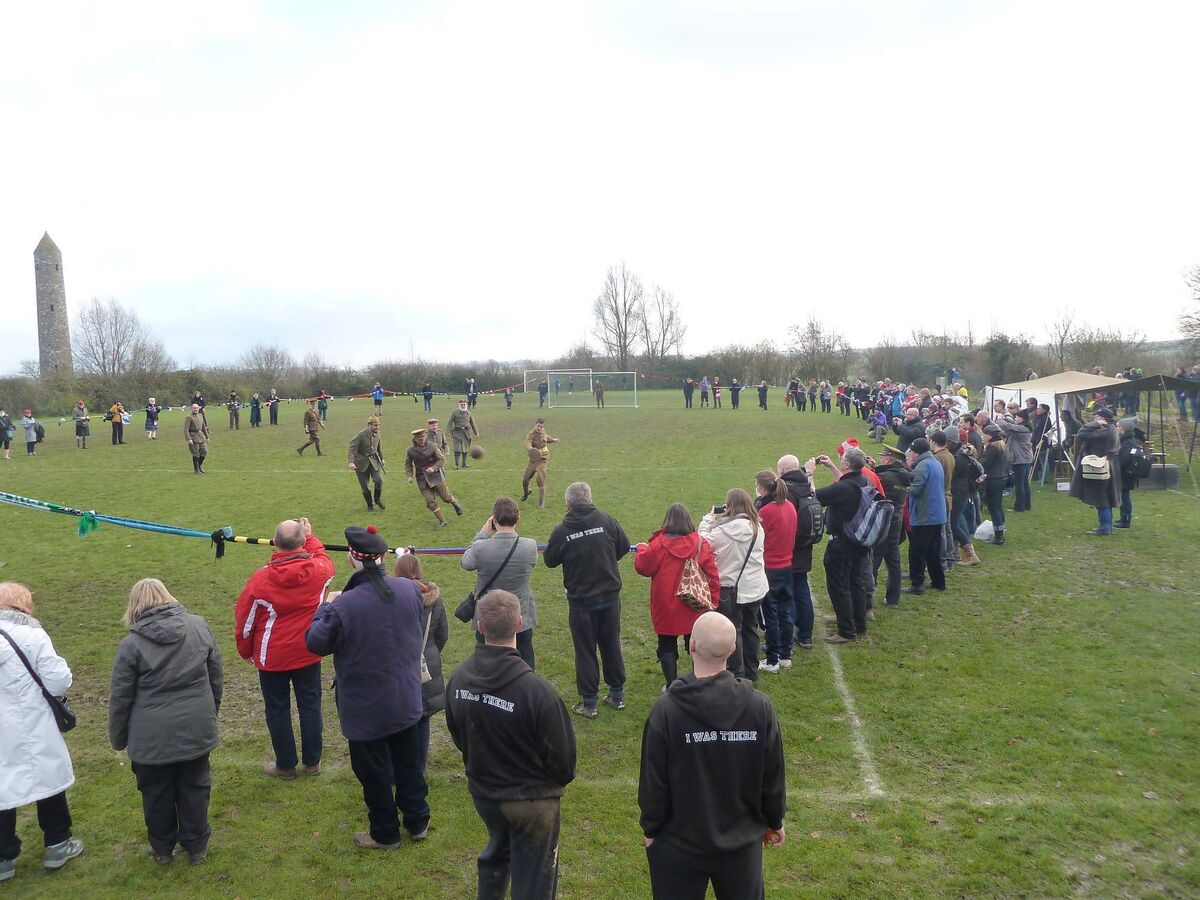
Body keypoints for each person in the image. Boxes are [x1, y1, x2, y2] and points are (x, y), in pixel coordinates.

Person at [638, 612, 786, 900]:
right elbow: (773, 774)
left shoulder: (666, 711)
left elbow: (653, 780)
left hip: (678, 844)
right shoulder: (759, 708)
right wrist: (774, 820)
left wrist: (651, 827)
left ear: (691, 646)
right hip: (741, 843)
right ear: (733, 651)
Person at [445, 590, 577, 900]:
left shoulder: (459, 678)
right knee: (534, 878)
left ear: (479, 626)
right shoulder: (538, 692)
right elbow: (564, 762)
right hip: (532, 803)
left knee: (496, 855)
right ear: (519, 623)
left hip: (485, 795)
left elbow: (458, 735)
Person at [305, 525, 430, 850]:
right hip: (405, 697)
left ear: (352, 558)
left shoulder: (344, 606)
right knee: (409, 765)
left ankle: (385, 832)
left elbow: (315, 643)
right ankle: (418, 821)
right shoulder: (409, 590)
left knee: (373, 773)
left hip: (366, 708)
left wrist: (324, 606)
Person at [108, 578, 222, 865]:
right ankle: (197, 847)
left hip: (151, 736)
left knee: (156, 793)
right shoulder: (199, 626)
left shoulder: (130, 645)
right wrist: (210, 712)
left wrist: (118, 738)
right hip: (195, 726)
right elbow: (216, 676)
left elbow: (120, 698)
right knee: (195, 786)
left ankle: (162, 850)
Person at [235, 517, 334, 781]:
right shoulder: (320, 571)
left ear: (275, 544)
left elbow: (244, 623)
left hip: (273, 656)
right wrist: (310, 538)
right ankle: (313, 762)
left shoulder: (262, 578)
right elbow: (323, 559)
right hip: (308, 649)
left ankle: (286, 765)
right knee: (310, 705)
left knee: (277, 709)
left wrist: (245, 651)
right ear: (302, 541)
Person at [0, 582, 84, 879]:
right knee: (47, 778)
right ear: (24, 606)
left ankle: (3, 857)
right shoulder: (32, 636)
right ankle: (58, 842)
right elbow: (59, 680)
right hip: (31, 721)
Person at [543, 482, 630, 719]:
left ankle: (590, 703)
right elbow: (623, 546)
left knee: (585, 650)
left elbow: (550, 560)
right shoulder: (607, 520)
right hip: (609, 597)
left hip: (581, 602)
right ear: (590, 500)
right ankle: (617, 695)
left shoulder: (561, 530)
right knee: (611, 644)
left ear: (568, 504)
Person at [634, 504, 720, 691]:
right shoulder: (700, 543)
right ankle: (700, 680)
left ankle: (672, 686)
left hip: (666, 603)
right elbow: (712, 574)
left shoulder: (658, 545)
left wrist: (642, 548)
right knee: (696, 643)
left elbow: (643, 567)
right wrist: (714, 599)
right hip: (694, 602)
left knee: (666, 645)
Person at [462, 498, 540, 670]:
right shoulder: (530, 546)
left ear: (493, 520)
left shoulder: (480, 547)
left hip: (488, 615)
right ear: (518, 519)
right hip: (521, 615)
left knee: (488, 663)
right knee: (525, 658)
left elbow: (466, 562)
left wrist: (482, 533)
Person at [698, 489, 767, 679]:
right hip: (755, 588)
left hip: (732, 588)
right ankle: (751, 671)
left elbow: (702, 542)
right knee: (750, 628)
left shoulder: (722, 531)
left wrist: (707, 520)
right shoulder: (757, 527)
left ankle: (737, 673)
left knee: (733, 630)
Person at [808, 447, 874, 642]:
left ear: (846, 464)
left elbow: (813, 495)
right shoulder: (862, 480)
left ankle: (846, 630)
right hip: (858, 541)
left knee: (839, 585)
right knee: (856, 583)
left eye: (842, 459)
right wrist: (831, 467)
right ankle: (858, 624)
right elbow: (844, 482)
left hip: (842, 543)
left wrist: (810, 473)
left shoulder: (844, 488)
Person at [393, 554, 448, 773]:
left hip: (399, 663)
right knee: (423, 717)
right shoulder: (434, 599)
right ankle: (419, 767)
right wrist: (430, 654)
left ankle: (399, 766)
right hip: (427, 661)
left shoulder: (392, 598)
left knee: (399, 718)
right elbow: (443, 633)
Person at [753, 471, 798, 674]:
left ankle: (772, 659)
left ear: (762, 488)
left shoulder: (767, 511)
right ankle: (785, 655)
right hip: (786, 565)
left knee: (770, 614)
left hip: (769, 567)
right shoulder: (789, 507)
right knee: (785, 611)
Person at [777, 455, 820, 649]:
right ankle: (806, 635)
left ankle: (785, 634)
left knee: (786, 594)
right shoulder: (806, 485)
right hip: (805, 545)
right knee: (802, 590)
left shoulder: (785, 490)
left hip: (788, 548)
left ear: (782, 471)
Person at [904, 438, 947, 595]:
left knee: (917, 550)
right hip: (937, 513)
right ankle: (938, 581)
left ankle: (916, 584)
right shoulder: (935, 462)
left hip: (925, 515)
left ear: (916, 453)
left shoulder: (922, 466)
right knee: (932, 550)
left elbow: (915, 491)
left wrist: (903, 486)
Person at [1070, 407, 1122, 536]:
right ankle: (1107, 527)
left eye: (1096, 418)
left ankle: (1104, 528)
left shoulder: (1103, 432)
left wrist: (1095, 424)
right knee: (1105, 499)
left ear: (1102, 419)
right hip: (1107, 466)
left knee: (1101, 499)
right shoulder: (1112, 430)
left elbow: (1081, 433)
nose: (1094, 419)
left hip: (1099, 467)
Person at [872, 446, 912, 606]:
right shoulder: (903, 476)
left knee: (872, 563)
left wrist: (873, 471)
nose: (881, 458)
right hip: (896, 523)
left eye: (883, 456)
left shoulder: (884, 478)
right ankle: (893, 599)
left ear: (888, 459)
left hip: (882, 525)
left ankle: (868, 599)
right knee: (894, 563)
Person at [405, 428, 462, 526]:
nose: (421, 440)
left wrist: (434, 468)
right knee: (430, 502)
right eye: (419, 439)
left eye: (423, 438)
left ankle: (455, 503)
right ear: (415, 439)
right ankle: (442, 521)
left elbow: (441, 459)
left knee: (446, 497)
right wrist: (409, 475)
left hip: (435, 476)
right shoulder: (410, 450)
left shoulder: (433, 446)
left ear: (426, 436)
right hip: (421, 478)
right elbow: (408, 464)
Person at [947, 427, 983, 566]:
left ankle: (971, 554)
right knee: (955, 522)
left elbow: (952, 475)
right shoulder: (962, 453)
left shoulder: (958, 457)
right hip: (963, 492)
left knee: (953, 524)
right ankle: (956, 553)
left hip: (958, 493)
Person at [348, 416, 386, 511]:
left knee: (379, 480)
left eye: (378, 425)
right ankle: (370, 505)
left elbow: (378, 448)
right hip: (360, 462)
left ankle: (377, 499)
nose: (377, 427)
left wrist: (382, 458)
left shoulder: (378, 434)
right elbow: (351, 449)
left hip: (374, 461)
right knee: (364, 486)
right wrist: (351, 462)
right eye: (375, 425)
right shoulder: (360, 435)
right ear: (369, 425)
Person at [521, 418, 560, 508]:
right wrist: (531, 449)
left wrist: (554, 440)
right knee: (525, 480)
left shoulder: (543, 433)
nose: (540, 428)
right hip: (534, 459)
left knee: (540, 480)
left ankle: (541, 502)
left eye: (541, 426)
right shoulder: (531, 434)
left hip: (543, 459)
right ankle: (526, 493)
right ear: (535, 425)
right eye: (538, 426)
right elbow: (527, 443)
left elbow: (547, 439)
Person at [981, 424, 1010, 545]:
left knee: (994, 507)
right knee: (997, 506)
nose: (984, 436)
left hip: (994, 478)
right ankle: (1001, 530)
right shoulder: (1002, 444)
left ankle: (998, 536)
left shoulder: (993, 446)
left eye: (985, 434)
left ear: (990, 435)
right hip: (1001, 477)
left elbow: (986, 462)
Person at [1001, 408, 1034, 512]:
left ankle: (1019, 507)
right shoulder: (1023, 428)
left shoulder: (1023, 429)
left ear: (1022, 418)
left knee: (1019, 484)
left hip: (1021, 459)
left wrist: (1000, 420)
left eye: (1017, 417)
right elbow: (1010, 430)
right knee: (1024, 483)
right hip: (1024, 458)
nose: (1015, 418)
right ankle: (1027, 505)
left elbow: (1009, 427)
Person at [1115, 418, 1144, 529]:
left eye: (1118, 426)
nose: (1116, 428)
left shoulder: (1127, 443)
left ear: (1124, 429)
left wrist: (1115, 463)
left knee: (1125, 496)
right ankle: (1123, 518)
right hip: (1125, 473)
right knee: (1123, 496)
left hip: (1126, 474)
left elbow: (1125, 460)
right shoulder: (1126, 440)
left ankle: (1126, 520)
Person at [449, 399, 480, 469]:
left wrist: (476, 432)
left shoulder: (469, 413)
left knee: (465, 448)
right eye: (461, 404)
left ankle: (464, 463)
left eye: (464, 404)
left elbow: (473, 423)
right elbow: (450, 422)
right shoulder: (455, 412)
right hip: (457, 433)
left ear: (466, 405)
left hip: (466, 433)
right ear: (459, 405)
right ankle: (456, 464)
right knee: (457, 448)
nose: (463, 405)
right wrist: (449, 432)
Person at [184, 402, 209, 475]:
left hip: (201, 436)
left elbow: (204, 427)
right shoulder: (189, 417)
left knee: (204, 451)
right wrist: (188, 439)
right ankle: (196, 469)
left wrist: (207, 436)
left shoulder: (200, 415)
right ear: (192, 409)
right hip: (193, 436)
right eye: (194, 408)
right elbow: (186, 429)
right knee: (195, 454)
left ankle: (199, 466)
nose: (196, 409)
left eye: (197, 408)